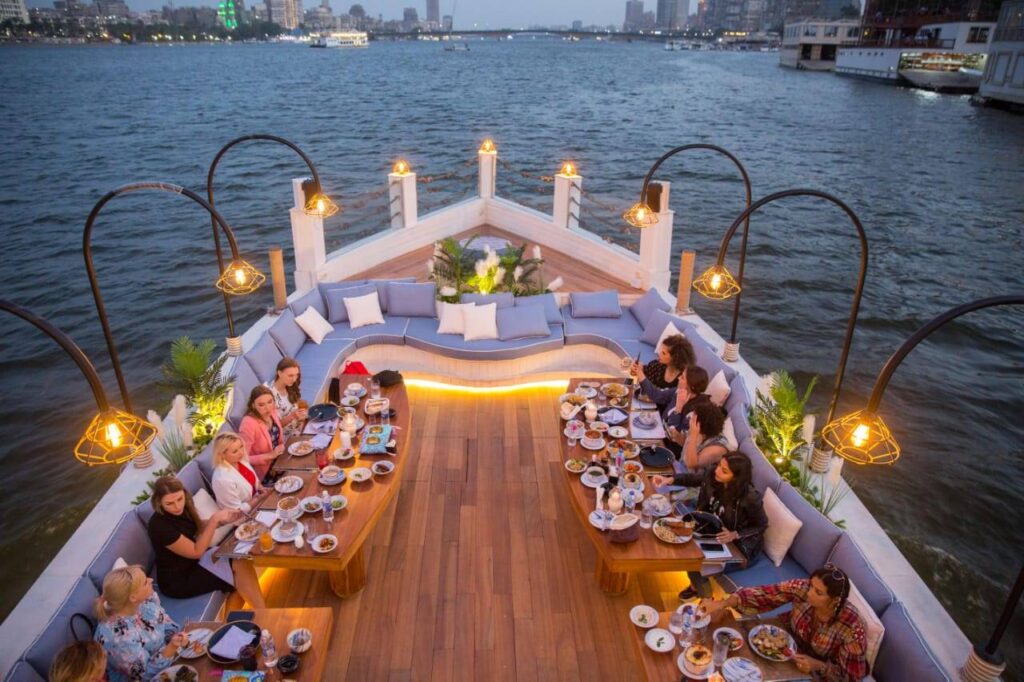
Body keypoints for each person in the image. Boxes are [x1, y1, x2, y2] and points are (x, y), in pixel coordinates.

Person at [703, 565, 869, 681]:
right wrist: (723, 603)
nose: (809, 593)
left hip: (815, 669)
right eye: (811, 585)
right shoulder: (803, 588)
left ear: (834, 601)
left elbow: (852, 677)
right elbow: (766, 594)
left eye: (818, 592)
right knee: (730, 650)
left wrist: (819, 666)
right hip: (783, 638)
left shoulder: (852, 626)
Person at [652, 452, 767, 601]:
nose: (717, 471)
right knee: (677, 540)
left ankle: (707, 601)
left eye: (724, 471)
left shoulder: (750, 498)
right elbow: (695, 479)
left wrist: (735, 534)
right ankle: (697, 587)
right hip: (711, 529)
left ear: (736, 478)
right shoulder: (713, 475)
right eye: (719, 465)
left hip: (740, 547)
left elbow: (761, 525)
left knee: (694, 561)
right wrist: (669, 480)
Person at [148, 476, 266, 609]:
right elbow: (196, 552)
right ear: (159, 503)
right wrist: (214, 520)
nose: (177, 506)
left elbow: (197, 527)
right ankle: (262, 613)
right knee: (237, 570)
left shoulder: (184, 507)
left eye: (180, 499)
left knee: (240, 559)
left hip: (196, 562)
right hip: (179, 578)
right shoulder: (159, 526)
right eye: (169, 503)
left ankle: (260, 613)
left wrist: (223, 521)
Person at [93, 564, 187, 682]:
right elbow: (144, 675)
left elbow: (165, 624)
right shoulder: (117, 637)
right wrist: (171, 648)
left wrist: (176, 638)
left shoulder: (142, 604)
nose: (151, 580)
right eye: (145, 582)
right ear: (133, 597)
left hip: (169, 659)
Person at [238, 385, 285, 481]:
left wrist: (281, 447)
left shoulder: (272, 411)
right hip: (265, 472)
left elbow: (278, 438)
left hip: (281, 461)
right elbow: (242, 458)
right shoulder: (248, 423)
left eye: (270, 402)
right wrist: (270, 455)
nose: (268, 408)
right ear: (253, 405)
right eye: (261, 405)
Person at [211, 432, 263, 512]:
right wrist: (258, 498)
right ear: (222, 455)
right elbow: (236, 511)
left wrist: (262, 489)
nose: (241, 452)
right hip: (245, 515)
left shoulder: (240, 460)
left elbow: (256, 482)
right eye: (235, 451)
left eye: (241, 446)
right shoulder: (222, 480)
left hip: (259, 502)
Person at [266, 357, 308, 439]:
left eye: (296, 375)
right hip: (286, 438)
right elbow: (275, 427)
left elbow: (296, 407)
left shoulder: (289, 386)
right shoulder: (270, 397)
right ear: (279, 373)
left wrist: (302, 413)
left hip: (299, 427)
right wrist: (293, 416)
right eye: (290, 375)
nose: (294, 379)